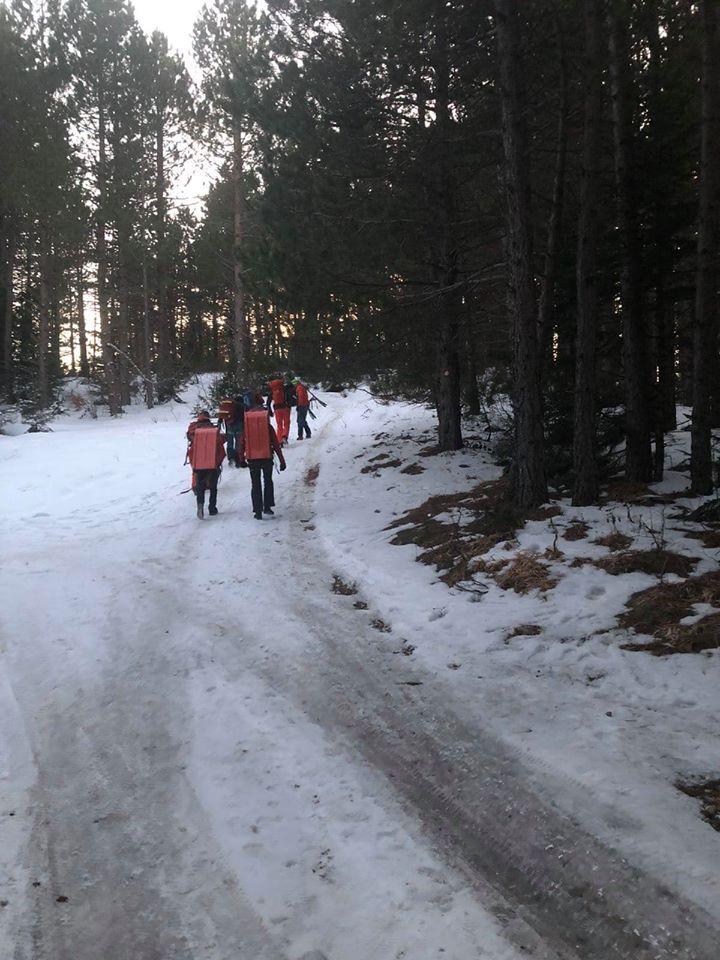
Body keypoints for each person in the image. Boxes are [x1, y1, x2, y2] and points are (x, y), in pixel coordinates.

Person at [241, 394, 286, 520]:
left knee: (255, 484)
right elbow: (276, 444)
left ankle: (257, 511)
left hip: (252, 459)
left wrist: (241, 458)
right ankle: (267, 507)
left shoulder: (247, 425)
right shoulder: (267, 425)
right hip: (266, 457)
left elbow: (241, 442)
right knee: (268, 481)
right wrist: (282, 460)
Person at [186, 410, 226, 518]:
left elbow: (190, 444)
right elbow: (220, 445)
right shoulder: (213, 429)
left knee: (200, 487)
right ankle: (212, 508)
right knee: (213, 487)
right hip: (212, 462)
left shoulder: (194, 429)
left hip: (198, 462)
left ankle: (200, 505)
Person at [268, 374, 292, 446]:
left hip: (277, 409)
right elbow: (289, 398)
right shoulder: (284, 389)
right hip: (285, 408)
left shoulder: (273, 390)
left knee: (279, 425)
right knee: (287, 423)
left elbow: (268, 402)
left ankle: (279, 440)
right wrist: (289, 406)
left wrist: (270, 411)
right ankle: (284, 436)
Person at [224, 395, 246, 466]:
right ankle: (238, 458)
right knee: (238, 442)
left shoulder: (229, 405)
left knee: (230, 442)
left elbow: (223, 415)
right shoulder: (241, 406)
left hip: (229, 425)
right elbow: (244, 417)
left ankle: (231, 458)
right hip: (239, 425)